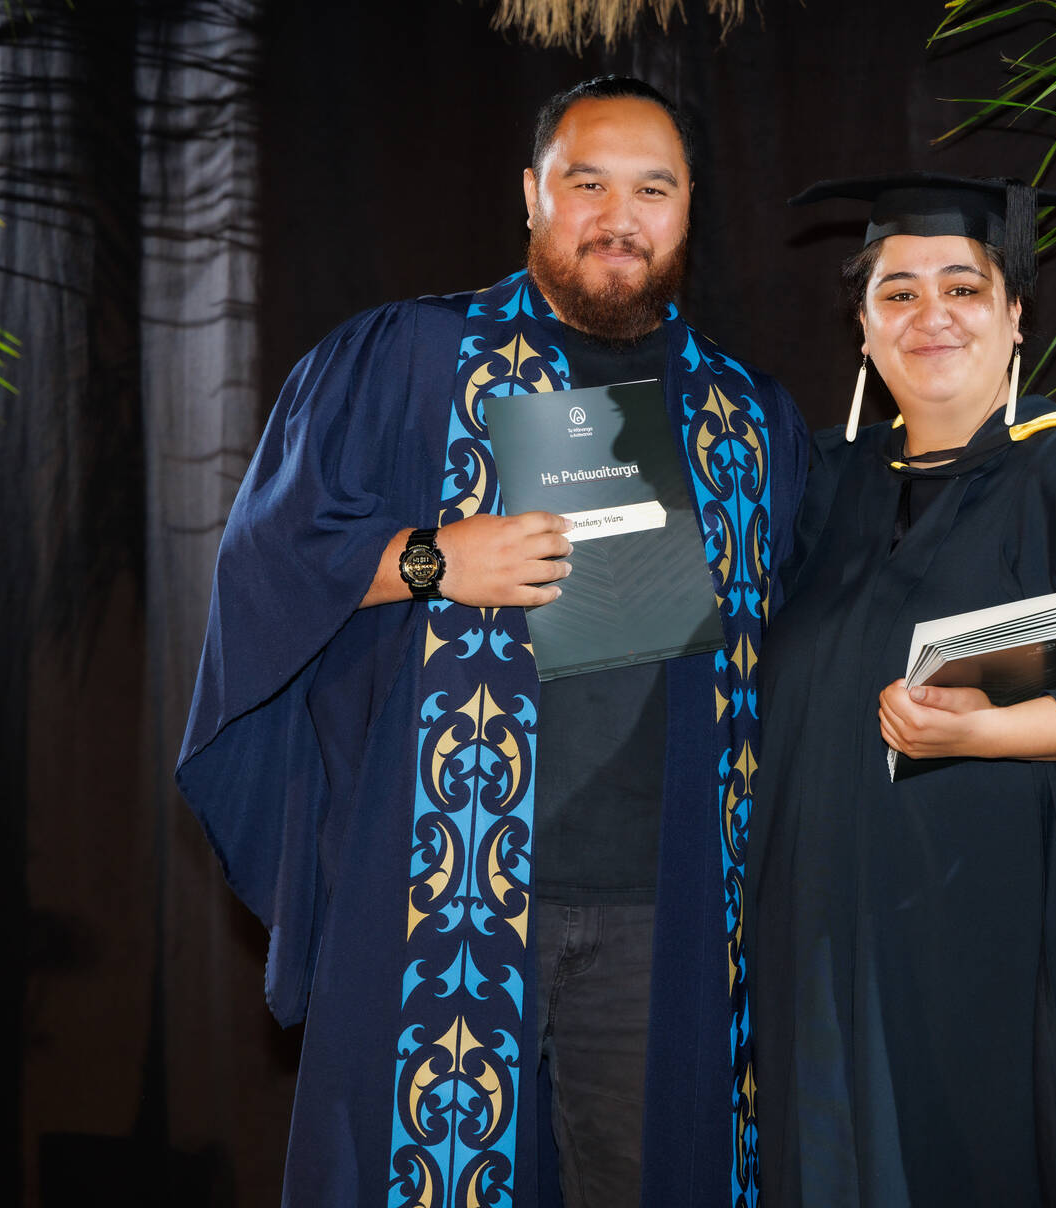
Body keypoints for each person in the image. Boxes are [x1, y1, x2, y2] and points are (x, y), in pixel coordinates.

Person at [176, 76, 807, 1208]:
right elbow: (269, 560)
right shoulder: (413, 358)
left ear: (688, 208)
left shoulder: (747, 418)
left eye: (652, 189)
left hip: (664, 916)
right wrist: (435, 561)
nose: (619, 216)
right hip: (445, 889)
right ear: (531, 193)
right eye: (587, 182)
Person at [746, 173, 1056, 1207]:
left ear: (1015, 315)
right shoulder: (825, 491)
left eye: (964, 287)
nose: (930, 314)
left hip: (998, 942)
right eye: (897, 292)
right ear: (862, 327)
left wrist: (985, 730)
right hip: (827, 937)